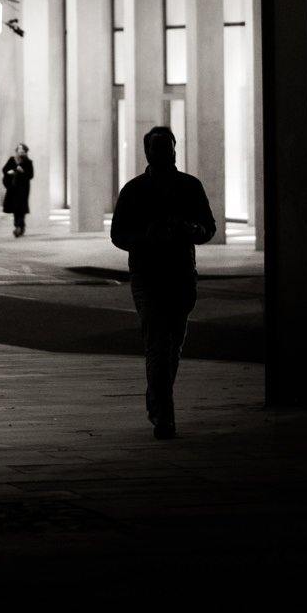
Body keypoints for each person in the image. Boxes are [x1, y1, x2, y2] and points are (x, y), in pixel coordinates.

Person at [109, 125, 216, 440]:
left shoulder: (189, 186)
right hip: (147, 276)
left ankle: (157, 401)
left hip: (181, 275)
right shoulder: (134, 190)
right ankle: (164, 417)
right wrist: (146, 238)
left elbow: (208, 227)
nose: (164, 153)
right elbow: (118, 235)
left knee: (173, 347)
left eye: (168, 147)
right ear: (147, 152)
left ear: (175, 149)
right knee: (158, 346)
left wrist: (190, 230)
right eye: (158, 148)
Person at [1, 143, 34, 237]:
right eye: (19, 149)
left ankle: (19, 227)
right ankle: (19, 226)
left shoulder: (28, 162)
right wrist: (9, 172)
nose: (20, 151)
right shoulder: (12, 160)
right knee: (16, 208)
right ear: (16, 150)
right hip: (13, 188)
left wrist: (22, 171)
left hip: (23, 188)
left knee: (22, 208)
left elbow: (31, 175)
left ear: (25, 151)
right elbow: (4, 170)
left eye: (22, 149)